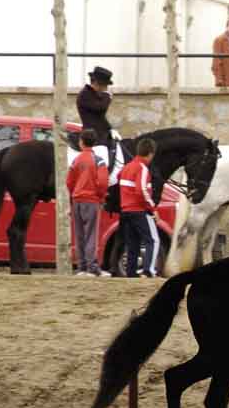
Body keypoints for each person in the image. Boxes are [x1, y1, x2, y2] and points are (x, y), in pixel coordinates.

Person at [66, 129, 110, 277]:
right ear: (94, 143)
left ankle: (82, 267)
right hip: (91, 200)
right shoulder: (99, 160)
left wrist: (74, 194)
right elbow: (103, 183)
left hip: (77, 199)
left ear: (81, 142)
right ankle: (92, 267)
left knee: (79, 235)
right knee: (91, 234)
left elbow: (69, 181)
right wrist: (101, 197)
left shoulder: (75, 160)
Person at [118, 137, 160, 278]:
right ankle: (149, 271)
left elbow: (120, 180)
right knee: (153, 240)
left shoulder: (127, 167)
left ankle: (131, 274)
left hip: (125, 211)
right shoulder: (142, 168)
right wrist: (153, 209)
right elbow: (141, 189)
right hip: (138, 211)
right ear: (150, 154)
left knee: (133, 244)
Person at [77, 66, 114, 149]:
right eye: (105, 86)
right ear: (97, 84)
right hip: (94, 139)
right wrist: (107, 95)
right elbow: (101, 107)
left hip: (102, 136)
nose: (106, 89)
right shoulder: (85, 94)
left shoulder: (94, 94)